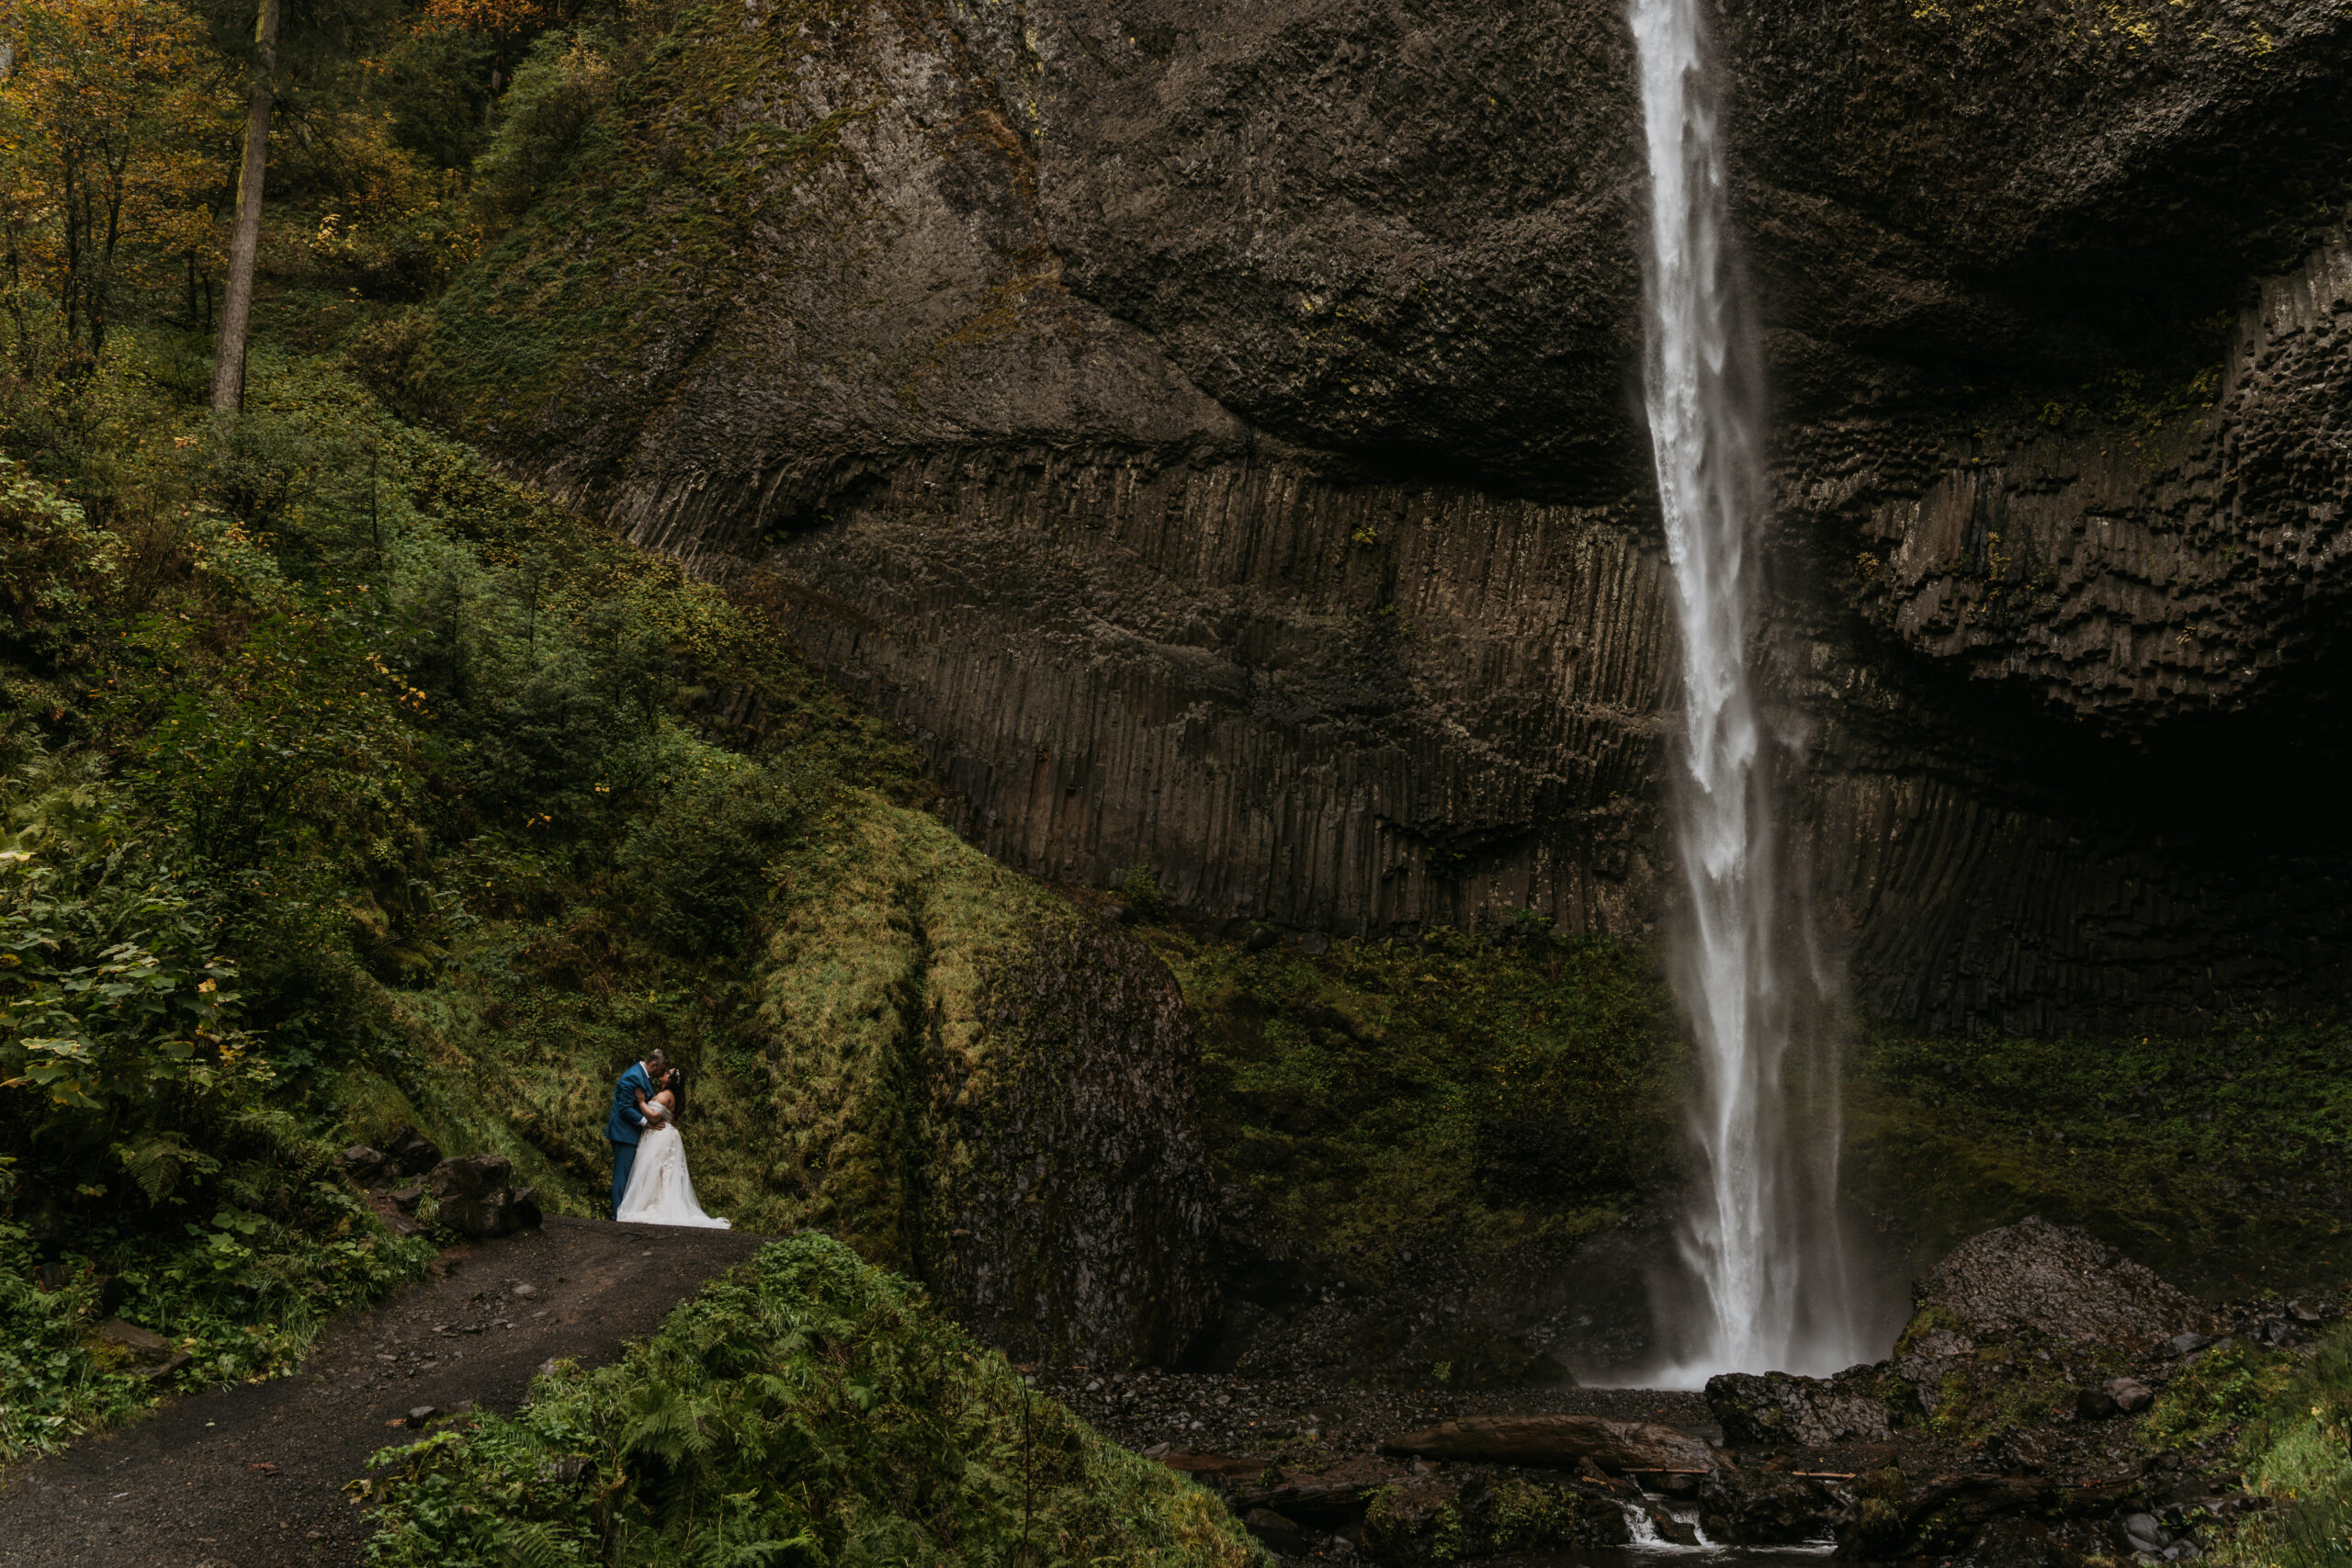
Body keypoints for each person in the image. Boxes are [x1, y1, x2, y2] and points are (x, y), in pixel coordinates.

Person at [614, 1068, 729, 1228]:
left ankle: (655, 1206)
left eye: (668, 1073)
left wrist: (640, 1102)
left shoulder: (665, 1095)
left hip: (659, 1136)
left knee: (653, 1169)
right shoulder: (670, 1096)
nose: (663, 1073)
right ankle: (658, 1203)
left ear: (671, 1080)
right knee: (660, 1173)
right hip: (663, 1134)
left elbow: (654, 1117)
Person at [606, 1049, 667, 1220]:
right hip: (623, 1133)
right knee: (622, 1175)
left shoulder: (642, 1075)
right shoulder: (633, 1076)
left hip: (630, 1133)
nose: (661, 1073)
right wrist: (647, 1123)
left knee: (628, 1175)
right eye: (661, 1070)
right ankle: (617, 1216)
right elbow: (625, 1108)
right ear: (653, 1065)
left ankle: (623, 1213)